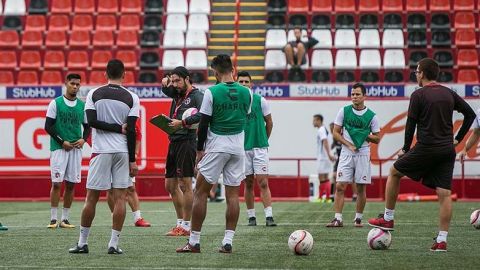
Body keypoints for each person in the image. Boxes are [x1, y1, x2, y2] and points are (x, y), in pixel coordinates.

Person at [368, 58, 476, 252]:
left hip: (426, 147)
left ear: (423, 74)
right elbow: (470, 115)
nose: (415, 75)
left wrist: (405, 148)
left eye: (417, 72)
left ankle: (388, 218)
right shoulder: (449, 93)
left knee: (394, 172)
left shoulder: (418, 95)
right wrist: (457, 140)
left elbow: (411, 125)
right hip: (446, 150)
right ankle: (441, 241)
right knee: (444, 194)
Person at [176, 54, 252, 253]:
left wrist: (200, 149)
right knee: (233, 196)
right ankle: (228, 241)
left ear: (216, 72)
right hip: (238, 148)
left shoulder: (211, 92)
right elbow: (244, 116)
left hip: (217, 145)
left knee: (200, 192)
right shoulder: (247, 93)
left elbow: (204, 124)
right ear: (233, 70)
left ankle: (194, 241)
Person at [69, 59, 140, 254]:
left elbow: (91, 122)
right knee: (120, 199)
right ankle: (113, 244)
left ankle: (83, 243)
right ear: (124, 74)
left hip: (101, 151)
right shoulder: (132, 97)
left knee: (91, 198)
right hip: (123, 152)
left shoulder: (94, 93)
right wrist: (133, 160)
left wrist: (115, 128)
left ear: (105, 74)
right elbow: (132, 130)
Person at [326, 83, 380, 228]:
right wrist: (348, 144)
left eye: (357, 94)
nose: (354, 97)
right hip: (346, 153)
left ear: (364, 96)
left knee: (361, 188)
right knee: (340, 186)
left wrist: (362, 134)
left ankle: (358, 219)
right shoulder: (344, 111)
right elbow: (336, 132)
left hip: (363, 153)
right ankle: (338, 219)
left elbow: (377, 138)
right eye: (352, 94)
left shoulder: (372, 116)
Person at [161, 66, 203, 236]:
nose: (175, 84)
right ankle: (179, 224)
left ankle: (186, 226)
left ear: (187, 79)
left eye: (178, 80)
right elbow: (167, 90)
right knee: (170, 185)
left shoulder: (198, 95)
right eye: (173, 81)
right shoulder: (178, 94)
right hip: (174, 140)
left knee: (185, 184)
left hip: (187, 141)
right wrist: (165, 84)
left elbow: (204, 114)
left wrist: (183, 123)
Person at [44, 73, 90, 229]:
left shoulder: (82, 105)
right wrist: (61, 141)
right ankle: (53, 219)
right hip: (59, 148)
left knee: (71, 184)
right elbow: (48, 126)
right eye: (72, 84)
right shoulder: (55, 103)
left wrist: (84, 139)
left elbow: (88, 127)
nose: (75, 87)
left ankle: (65, 219)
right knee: (56, 183)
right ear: (66, 83)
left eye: (78, 84)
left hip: (75, 149)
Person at [237, 71, 276, 227]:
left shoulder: (261, 101)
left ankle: (269, 216)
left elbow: (270, 122)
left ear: (251, 84)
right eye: (241, 82)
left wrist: (264, 139)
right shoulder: (236, 104)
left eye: (247, 81)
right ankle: (251, 217)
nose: (244, 84)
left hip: (259, 148)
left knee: (263, 182)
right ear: (237, 83)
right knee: (248, 183)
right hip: (242, 149)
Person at [107, 121, 151, 227]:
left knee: (131, 188)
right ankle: (115, 217)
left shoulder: (128, 116)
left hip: (125, 157)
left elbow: (138, 135)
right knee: (111, 189)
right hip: (108, 154)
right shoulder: (106, 115)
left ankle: (137, 218)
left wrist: (134, 153)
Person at [330, 123, 358, 202]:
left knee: (352, 178)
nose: (332, 131)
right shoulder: (334, 139)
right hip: (339, 159)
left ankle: (355, 195)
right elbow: (333, 149)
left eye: (332, 129)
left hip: (348, 157)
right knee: (335, 176)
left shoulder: (345, 136)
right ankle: (332, 195)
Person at [313, 115, 335, 203]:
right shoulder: (325, 129)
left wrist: (329, 154)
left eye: (314, 120)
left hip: (323, 157)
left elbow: (325, 141)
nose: (313, 122)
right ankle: (327, 197)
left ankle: (322, 197)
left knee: (321, 177)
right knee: (325, 177)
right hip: (325, 157)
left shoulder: (321, 130)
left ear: (319, 120)